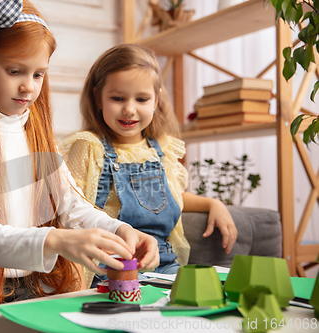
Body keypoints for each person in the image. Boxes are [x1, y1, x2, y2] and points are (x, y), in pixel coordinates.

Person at [0, 2, 159, 333]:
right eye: (14, 71)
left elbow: (72, 205)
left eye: (38, 74)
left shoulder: (39, 136)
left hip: (26, 285)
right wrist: (56, 241)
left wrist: (119, 230)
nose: (29, 86)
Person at [61, 44, 237, 282]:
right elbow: (72, 208)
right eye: (117, 98)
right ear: (98, 98)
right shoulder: (89, 146)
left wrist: (212, 204)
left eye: (142, 99)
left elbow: (169, 195)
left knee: (212, 288)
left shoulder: (162, 148)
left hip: (162, 264)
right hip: (108, 267)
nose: (129, 109)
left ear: (156, 100)